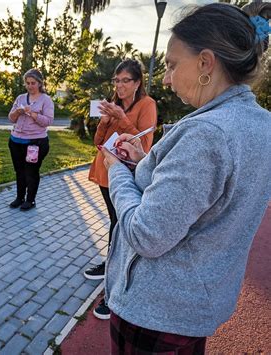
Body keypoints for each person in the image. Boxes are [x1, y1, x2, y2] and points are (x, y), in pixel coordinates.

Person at [100, 3, 271, 353]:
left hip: (156, 309)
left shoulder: (206, 133)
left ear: (206, 63)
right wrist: (146, 162)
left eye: (172, 65)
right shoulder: (260, 124)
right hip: (194, 303)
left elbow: (146, 235)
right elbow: (208, 195)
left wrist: (117, 171)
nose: (165, 78)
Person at [84, 59, 157, 320]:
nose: (120, 85)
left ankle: (114, 290)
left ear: (137, 83)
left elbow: (145, 143)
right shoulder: (112, 104)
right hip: (107, 173)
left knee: (122, 225)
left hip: (126, 176)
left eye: (126, 80)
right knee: (115, 223)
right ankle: (111, 266)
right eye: (117, 80)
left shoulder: (147, 105)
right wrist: (105, 121)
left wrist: (122, 119)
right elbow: (98, 142)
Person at [8, 68, 54, 211]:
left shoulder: (46, 100)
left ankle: (30, 200)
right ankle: (19, 197)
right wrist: (18, 111)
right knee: (19, 171)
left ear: (40, 83)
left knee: (31, 172)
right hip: (16, 141)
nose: (30, 86)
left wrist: (33, 114)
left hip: (35, 143)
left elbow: (48, 121)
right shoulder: (20, 98)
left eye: (33, 83)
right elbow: (11, 118)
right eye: (27, 83)